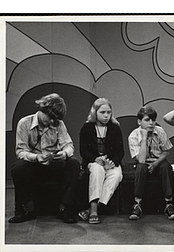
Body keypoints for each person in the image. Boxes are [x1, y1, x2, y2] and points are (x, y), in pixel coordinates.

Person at [8, 93, 80, 224]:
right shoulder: (24, 123)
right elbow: (20, 151)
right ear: (42, 109)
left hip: (53, 164)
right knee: (18, 168)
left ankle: (64, 209)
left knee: (73, 163)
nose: (53, 122)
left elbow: (69, 145)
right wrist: (36, 157)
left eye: (56, 119)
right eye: (51, 117)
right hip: (34, 164)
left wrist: (63, 154)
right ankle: (27, 210)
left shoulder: (59, 124)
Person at [128, 105, 174, 220]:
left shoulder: (160, 131)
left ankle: (169, 204)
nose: (151, 123)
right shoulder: (133, 136)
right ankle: (137, 204)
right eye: (147, 120)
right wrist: (144, 138)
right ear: (139, 121)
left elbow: (166, 152)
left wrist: (155, 164)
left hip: (158, 161)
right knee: (141, 168)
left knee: (166, 167)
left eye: (153, 120)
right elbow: (141, 159)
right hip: (143, 162)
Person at [78, 98, 124, 224]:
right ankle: (93, 209)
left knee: (117, 175)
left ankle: (94, 208)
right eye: (102, 112)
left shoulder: (115, 128)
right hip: (93, 162)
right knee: (97, 170)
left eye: (109, 112)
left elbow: (120, 152)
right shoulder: (86, 128)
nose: (106, 115)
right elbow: (83, 151)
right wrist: (95, 159)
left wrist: (112, 162)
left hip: (110, 162)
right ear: (95, 112)